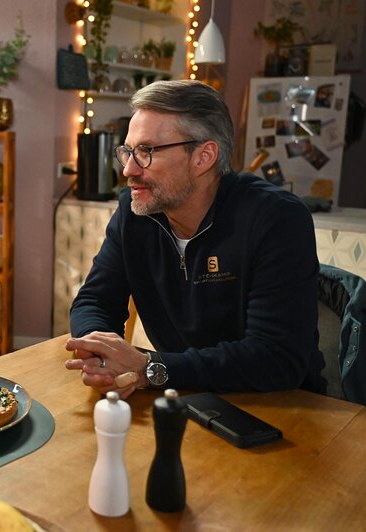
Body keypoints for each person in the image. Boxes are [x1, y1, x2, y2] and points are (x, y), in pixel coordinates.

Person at [65, 80, 325, 399]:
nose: (129, 170)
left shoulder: (277, 219)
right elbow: (94, 301)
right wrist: (103, 354)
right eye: (128, 152)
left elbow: (277, 358)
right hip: (187, 397)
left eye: (146, 152)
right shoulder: (134, 216)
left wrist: (151, 368)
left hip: (282, 407)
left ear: (203, 157)